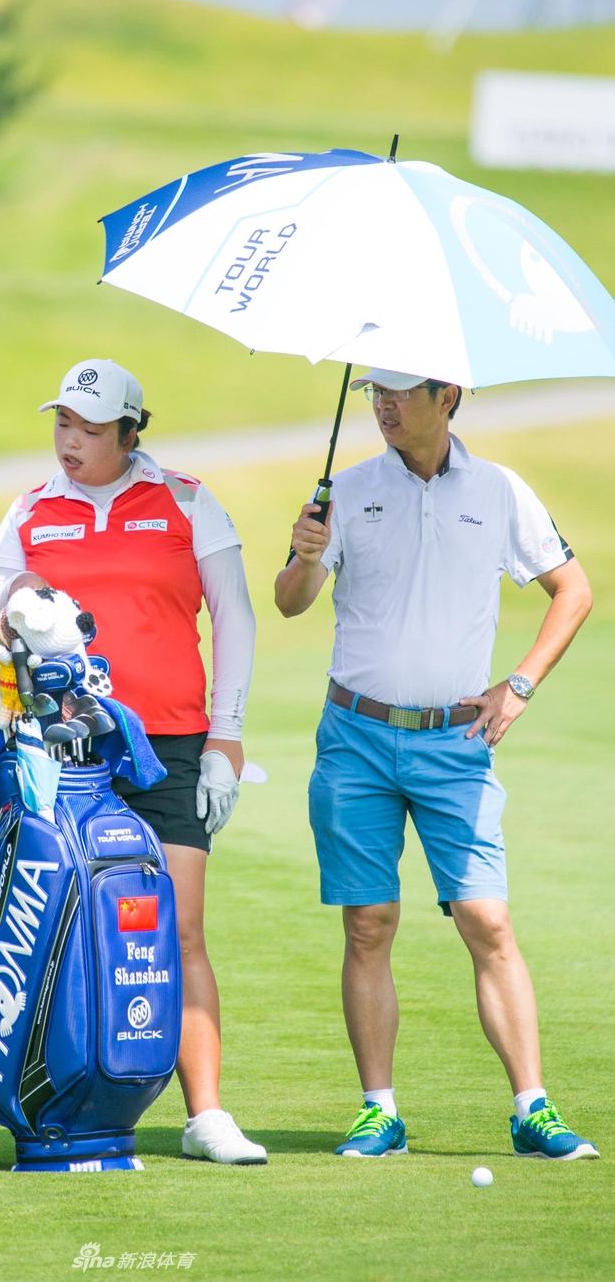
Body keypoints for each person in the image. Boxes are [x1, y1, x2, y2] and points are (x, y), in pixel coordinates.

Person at [0, 358, 266, 1165]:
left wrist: (226, 736)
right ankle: (52, 1099)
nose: (70, 442)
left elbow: (236, 617)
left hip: (169, 747)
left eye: (89, 429)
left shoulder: (186, 501)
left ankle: (206, 1114)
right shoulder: (31, 509)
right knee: (56, 921)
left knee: (178, 926)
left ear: (131, 431)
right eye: (62, 423)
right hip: (65, 753)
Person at [274, 368, 599, 1161]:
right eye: (372, 392)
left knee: (488, 921)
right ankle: (378, 1110)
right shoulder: (342, 492)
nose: (383, 406)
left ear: (446, 395)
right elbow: (289, 599)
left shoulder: (499, 490)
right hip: (356, 736)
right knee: (368, 924)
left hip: (457, 743)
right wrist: (307, 554)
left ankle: (533, 1108)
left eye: (400, 392)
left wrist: (519, 683)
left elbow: (574, 589)